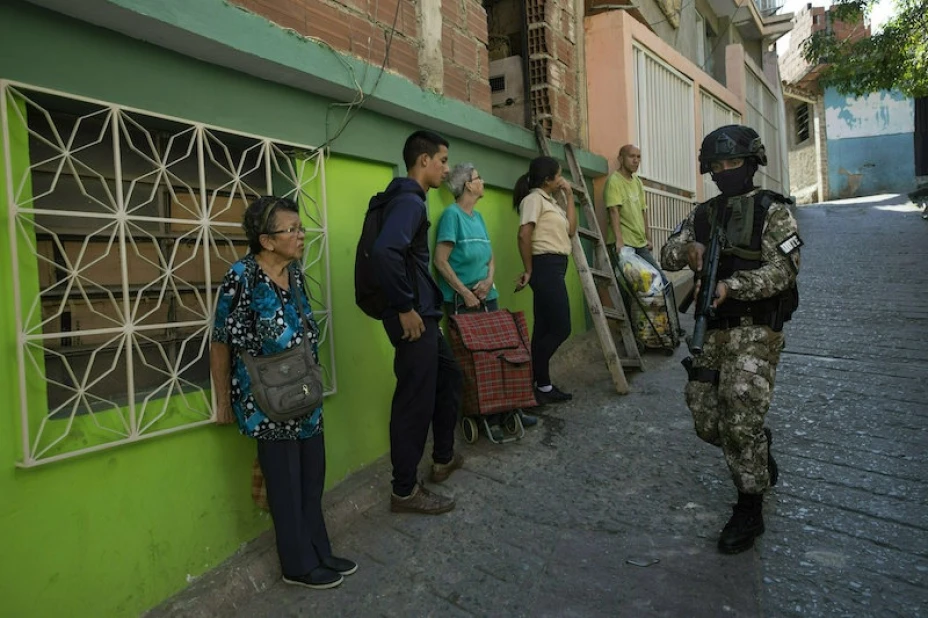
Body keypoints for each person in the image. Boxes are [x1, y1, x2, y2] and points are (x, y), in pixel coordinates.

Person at [660, 125, 801, 554]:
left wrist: (731, 287)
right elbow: (666, 253)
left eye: (733, 163)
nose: (724, 172)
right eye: (717, 166)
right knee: (707, 420)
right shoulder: (702, 214)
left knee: (739, 415)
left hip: (755, 328)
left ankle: (749, 506)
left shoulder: (773, 210)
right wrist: (687, 252)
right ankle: (757, 445)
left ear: (752, 163)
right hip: (713, 330)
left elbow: (784, 270)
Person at [210, 196, 357, 589]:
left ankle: (319, 551)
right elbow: (220, 340)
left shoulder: (293, 274)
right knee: (285, 484)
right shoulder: (240, 276)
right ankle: (297, 565)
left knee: (312, 476)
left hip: (303, 391)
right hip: (266, 399)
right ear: (266, 240)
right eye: (290, 230)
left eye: (299, 227)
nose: (300, 235)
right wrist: (224, 401)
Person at [371, 130, 464, 515]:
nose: (446, 168)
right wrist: (405, 306)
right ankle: (404, 490)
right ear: (423, 160)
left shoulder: (406, 198)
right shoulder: (410, 200)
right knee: (414, 401)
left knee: (449, 375)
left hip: (423, 313)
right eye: (442, 160)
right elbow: (385, 251)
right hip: (413, 317)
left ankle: (442, 457)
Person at [435, 163, 538, 440]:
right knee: (475, 360)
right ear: (467, 185)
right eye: (478, 178)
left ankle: (507, 410)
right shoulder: (451, 216)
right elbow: (441, 261)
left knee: (500, 356)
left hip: (487, 297)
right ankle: (482, 414)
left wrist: (489, 280)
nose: (482, 181)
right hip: (463, 302)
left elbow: (490, 258)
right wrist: (466, 292)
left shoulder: (478, 217)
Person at [513, 156, 577, 404]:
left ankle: (543, 387)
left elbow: (571, 230)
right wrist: (528, 269)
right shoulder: (532, 200)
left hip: (556, 266)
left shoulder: (550, 201)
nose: (561, 179)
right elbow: (523, 234)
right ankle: (531, 377)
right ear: (548, 179)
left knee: (542, 330)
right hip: (544, 266)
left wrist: (569, 196)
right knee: (562, 327)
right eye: (559, 175)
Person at [603, 144, 662, 277]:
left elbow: (643, 211)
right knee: (630, 288)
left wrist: (648, 238)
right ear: (621, 159)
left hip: (640, 243)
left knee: (658, 280)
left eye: (638, 157)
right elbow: (613, 210)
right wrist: (619, 241)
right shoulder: (614, 181)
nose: (636, 160)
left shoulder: (637, 182)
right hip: (624, 245)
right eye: (631, 156)